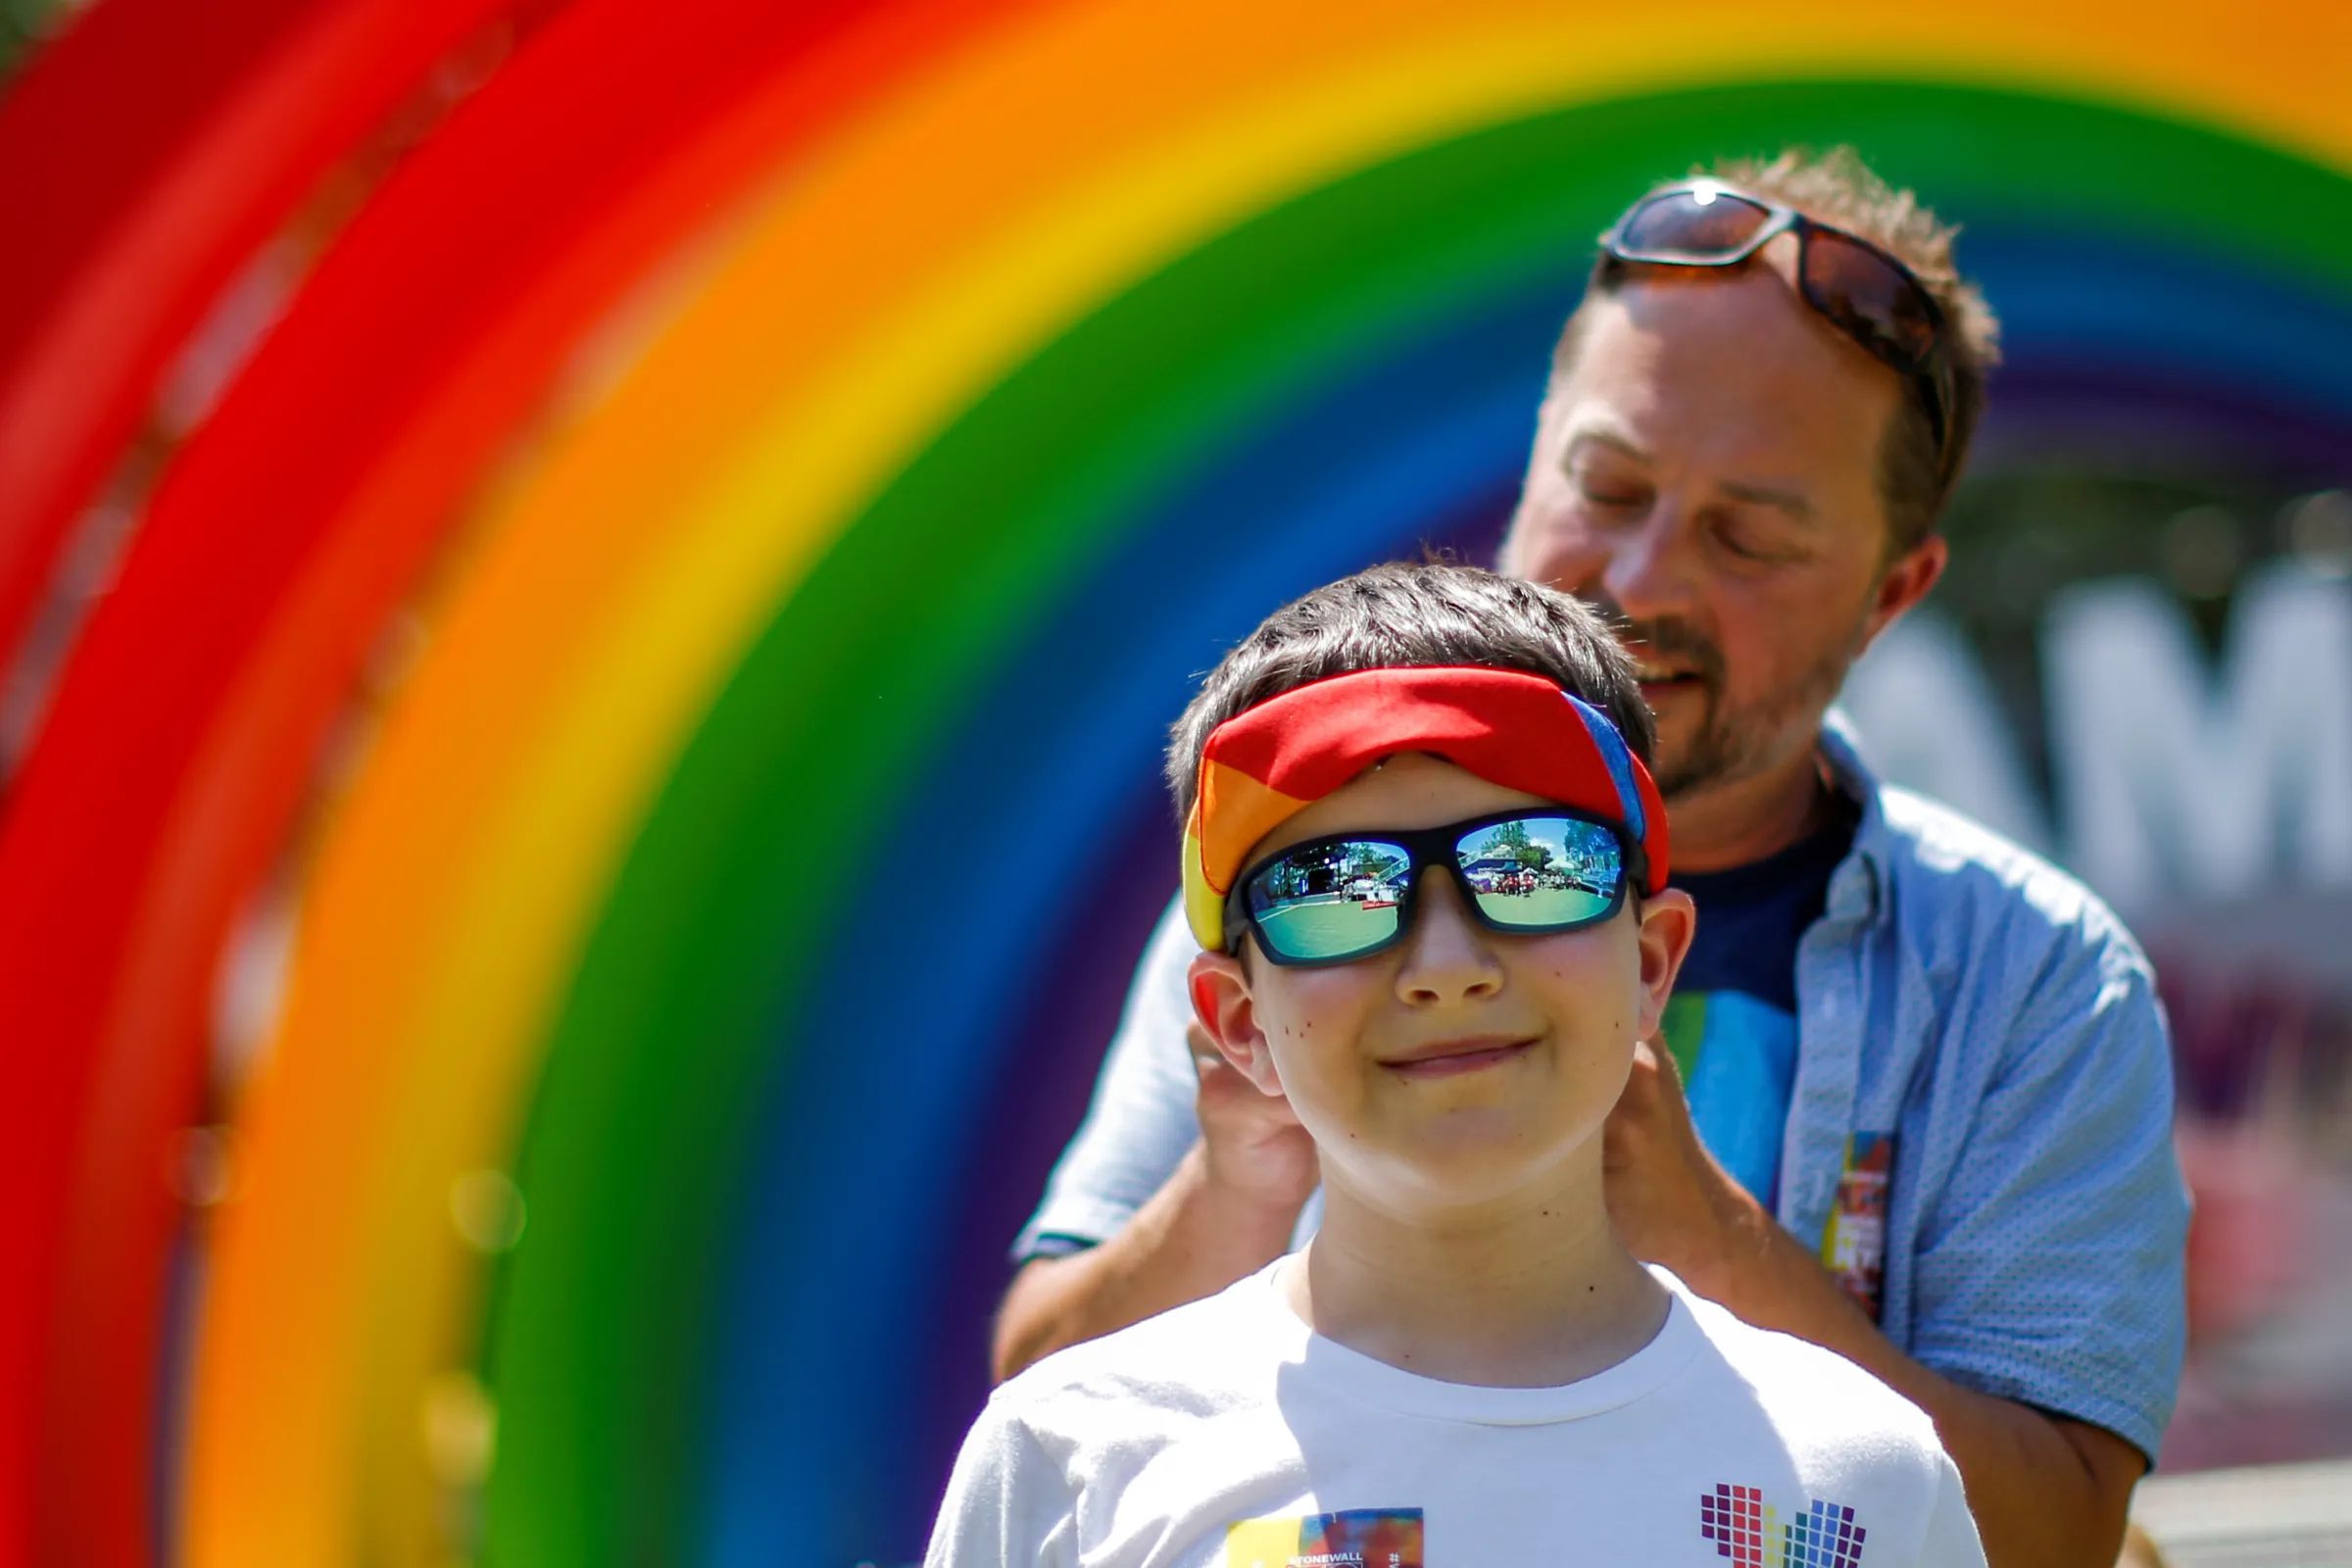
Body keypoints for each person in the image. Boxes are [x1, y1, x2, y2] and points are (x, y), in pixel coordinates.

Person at [994, 149, 2188, 1568]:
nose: (1642, 580)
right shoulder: (1289, 882)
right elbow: (1052, 1432)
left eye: (1750, 534)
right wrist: (1241, 1176)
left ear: (1893, 594)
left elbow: (2057, 1538)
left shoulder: (2035, 977)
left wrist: (1709, 1244)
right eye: (1605, 486)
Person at [928, 564, 1986, 1565]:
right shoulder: (1072, 1461)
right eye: (1335, 889)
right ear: (1237, 1022)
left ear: (1652, 962)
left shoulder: (1858, 1486)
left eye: (1533, 867)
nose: (1445, 966)